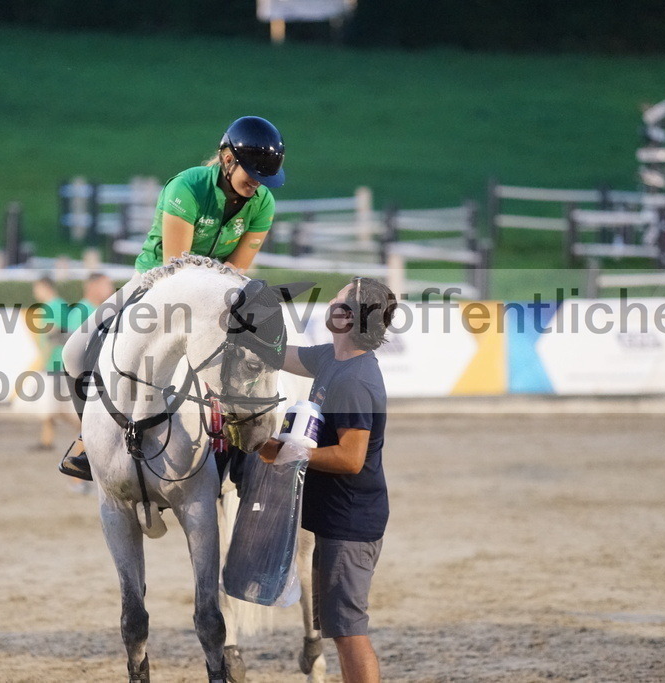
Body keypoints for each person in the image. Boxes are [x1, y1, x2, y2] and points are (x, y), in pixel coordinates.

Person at [59, 115, 287, 479]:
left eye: (265, 178)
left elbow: (237, 270)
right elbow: (175, 268)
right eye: (253, 174)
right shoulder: (187, 187)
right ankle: (89, 440)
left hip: (218, 294)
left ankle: (239, 442)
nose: (258, 184)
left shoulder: (263, 202)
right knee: (74, 351)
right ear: (228, 160)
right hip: (155, 283)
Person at [259, 277, 397, 683]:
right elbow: (276, 354)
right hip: (337, 518)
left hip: (350, 524)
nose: (329, 304)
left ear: (348, 318)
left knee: (349, 633)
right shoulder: (331, 359)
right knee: (340, 630)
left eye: (337, 300)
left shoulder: (354, 380)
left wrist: (287, 452)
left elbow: (351, 459)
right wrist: (245, 322)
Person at [31, 273, 114, 450]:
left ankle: (70, 445)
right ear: (92, 287)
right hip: (80, 372)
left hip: (75, 370)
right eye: (106, 285)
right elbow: (73, 344)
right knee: (62, 411)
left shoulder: (98, 310)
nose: (111, 289)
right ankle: (75, 447)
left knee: (61, 411)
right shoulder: (81, 311)